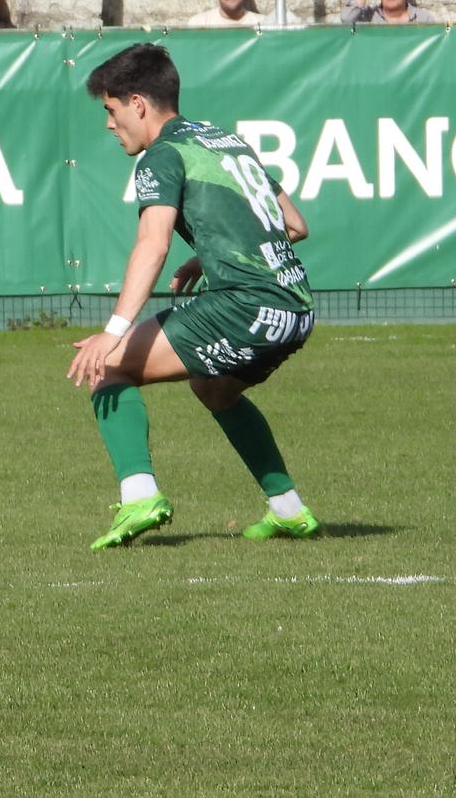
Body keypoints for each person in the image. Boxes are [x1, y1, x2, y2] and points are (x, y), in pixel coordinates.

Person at [69, 43, 320, 551]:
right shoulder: (223, 139)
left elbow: (152, 242)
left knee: (109, 367)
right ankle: (289, 511)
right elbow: (295, 225)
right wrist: (207, 257)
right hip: (296, 309)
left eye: (111, 111)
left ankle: (139, 497)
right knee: (215, 390)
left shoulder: (162, 156)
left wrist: (112, 332)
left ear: (137, 103)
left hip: (244, 306)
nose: (109, 125)